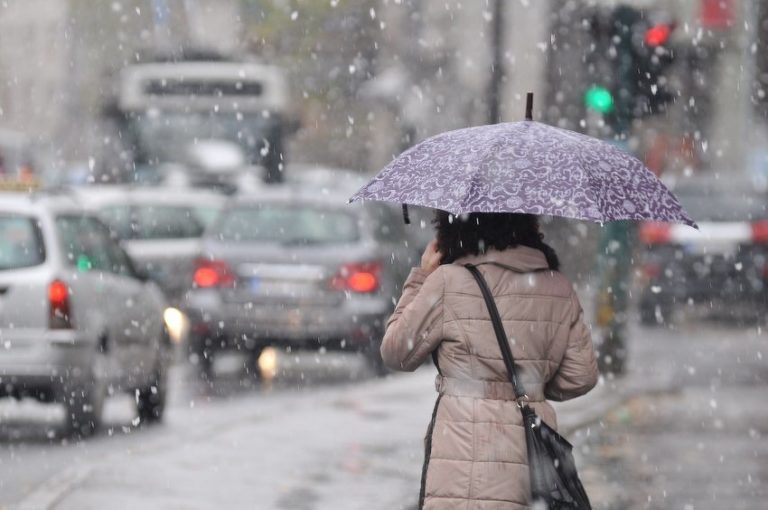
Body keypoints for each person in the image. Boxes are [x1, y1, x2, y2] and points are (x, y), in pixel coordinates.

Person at [381, 211, 599, 510]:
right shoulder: (557, 287)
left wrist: (421, 278)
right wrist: (526, 387)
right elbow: (581, 376)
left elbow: (396, 352)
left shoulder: (448, 282)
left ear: (453, 227)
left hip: (460, 457)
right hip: (531, 457)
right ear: (530, 225)